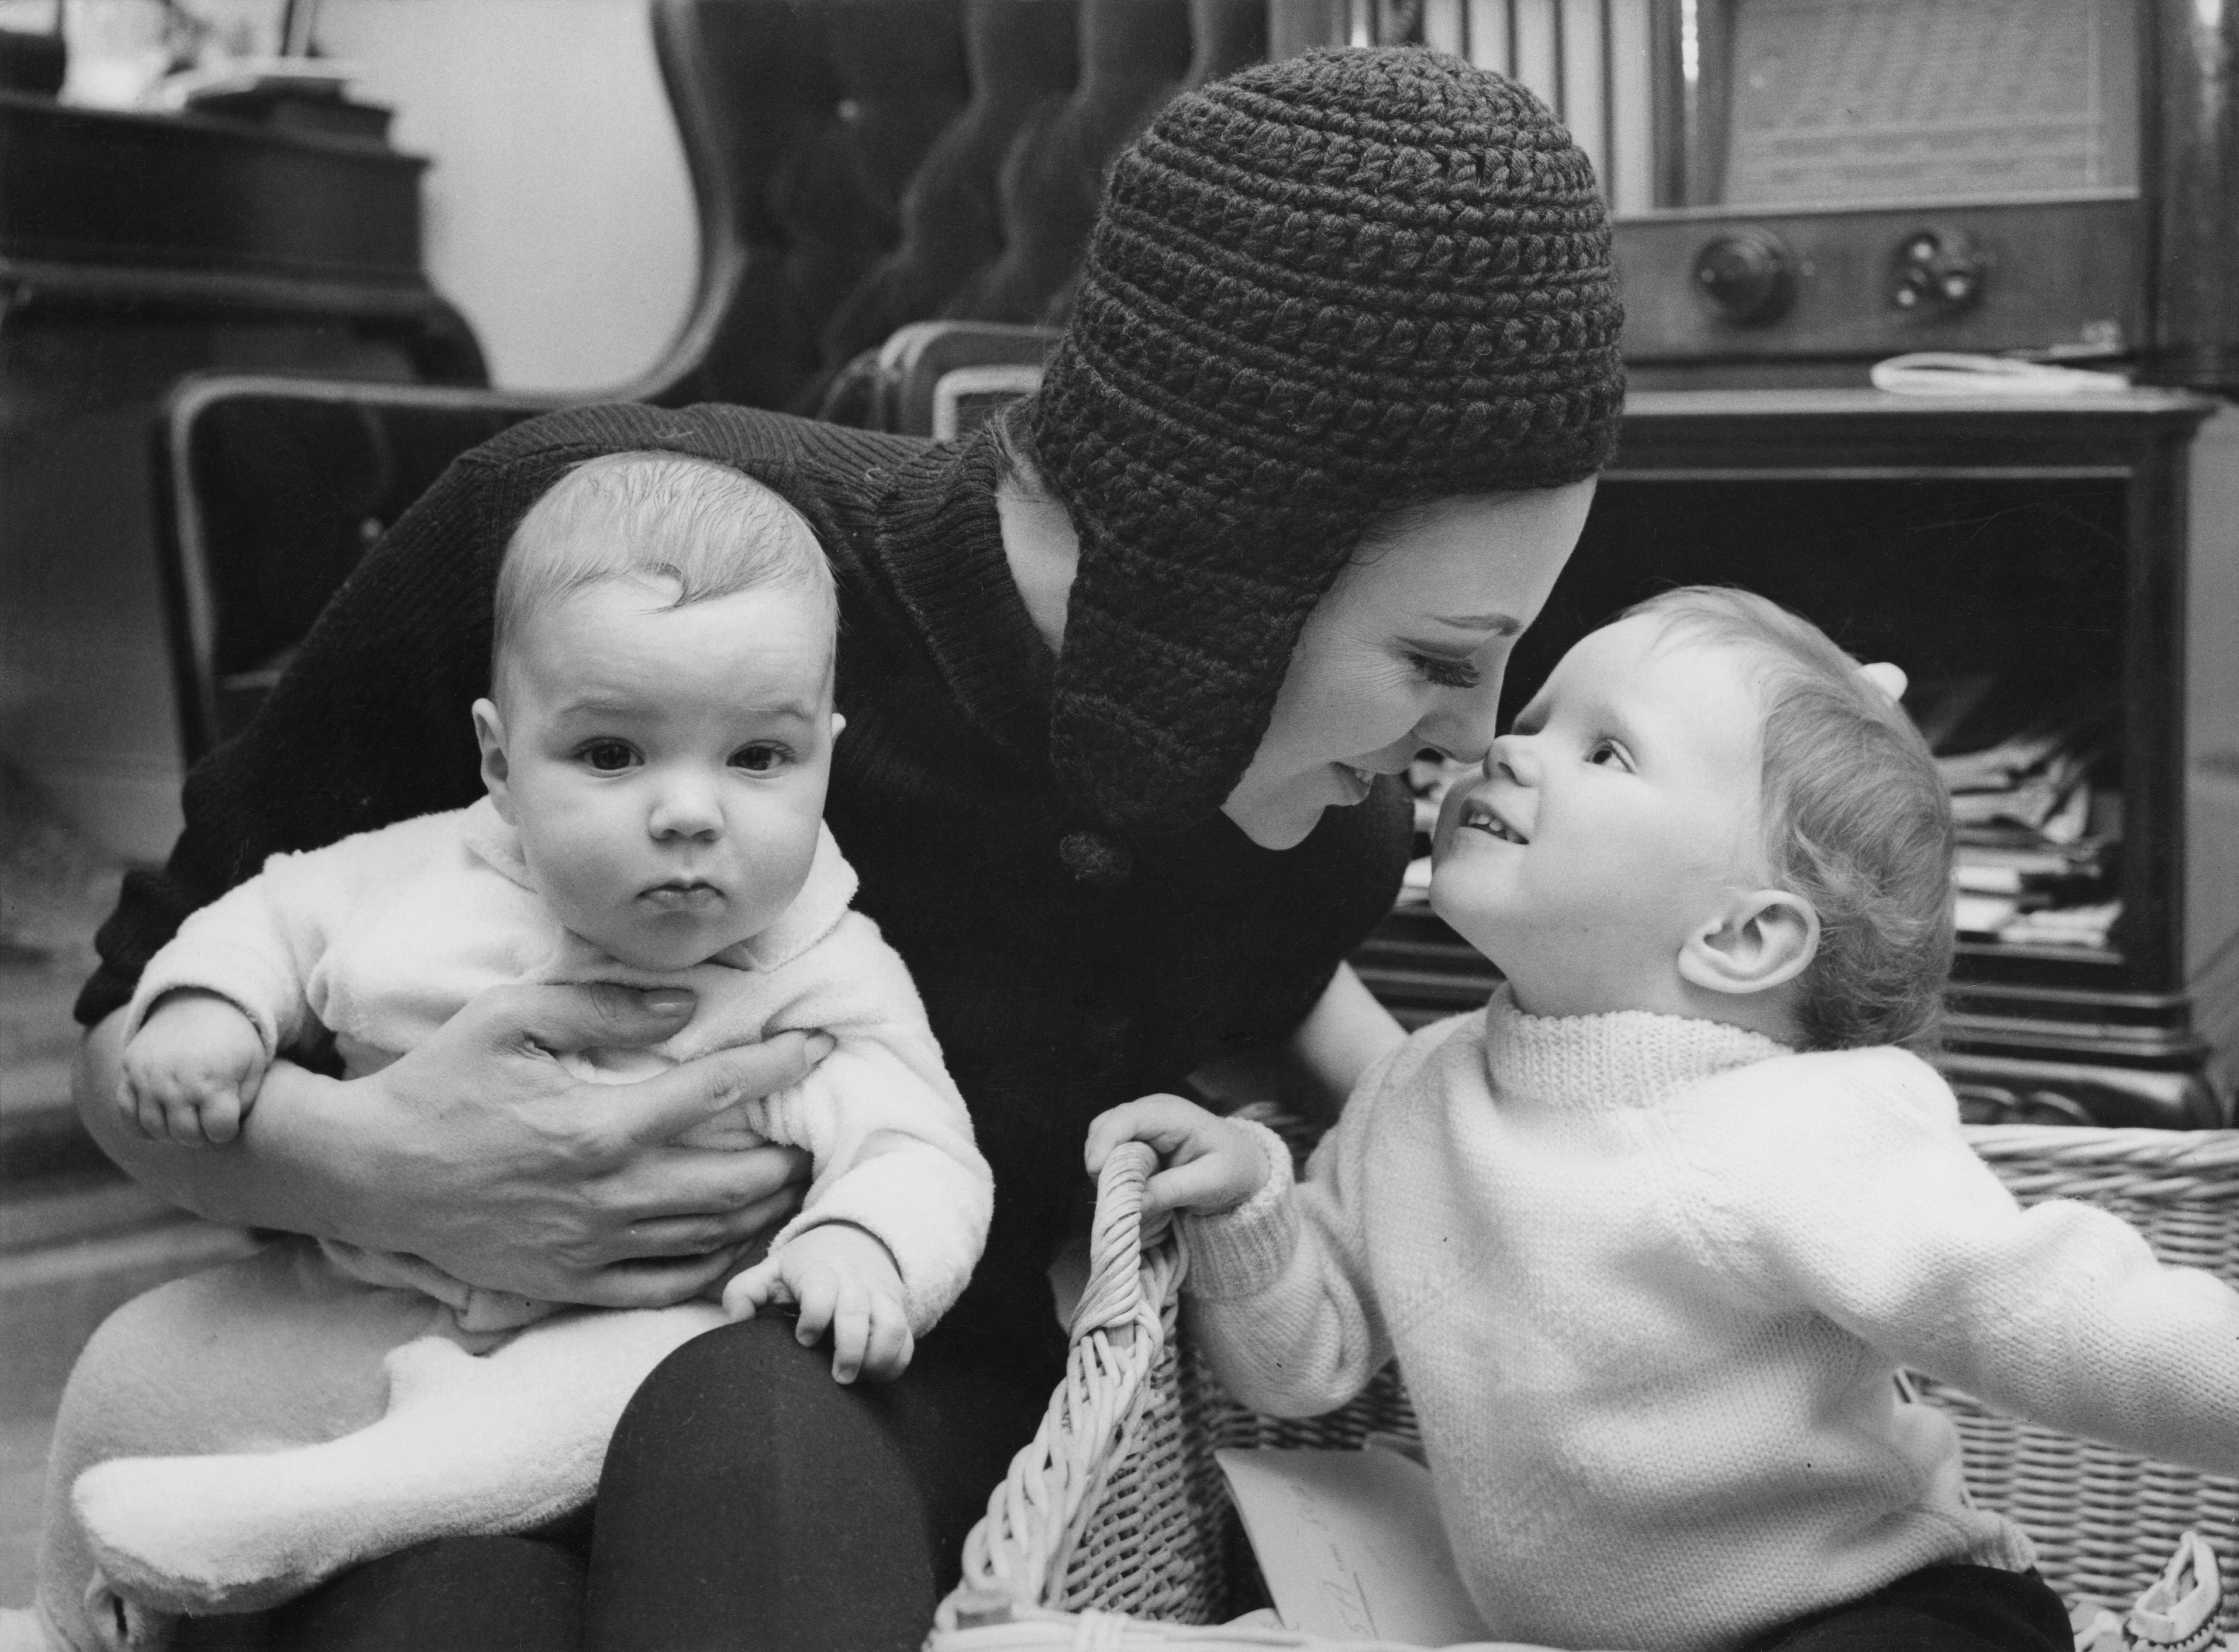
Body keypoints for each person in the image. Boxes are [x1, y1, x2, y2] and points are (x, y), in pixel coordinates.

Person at [56, 47, 1625, 1652]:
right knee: (444, 1595)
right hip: (425, 1344)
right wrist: (383, 1168)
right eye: (1440, 656)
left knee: (752, 1428)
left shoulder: (1306, 831)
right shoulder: (584, 561)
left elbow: (1392, 1089)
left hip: (867, 1378)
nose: (1468, 734)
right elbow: (125, 1036)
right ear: (1228, 564)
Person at [1089, 586, 2239, 1652]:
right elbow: (1306, 1364)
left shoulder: (1798, 1121)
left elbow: (2032, 1302)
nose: (1505, 745)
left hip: (1884, 1605)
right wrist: (1252, 1203)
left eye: (1604, 750)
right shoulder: (1417, 1093)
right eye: (1534, 718)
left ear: (1741, 939)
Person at [22, 453, 990, 1652]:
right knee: (137, 1361)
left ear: (826, 758)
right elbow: (271, 914)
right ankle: (84, 1613)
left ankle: (315, 1512)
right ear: (498, 756)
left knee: (648, 1385)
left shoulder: (823, 972)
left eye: (757, 758)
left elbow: (922, 1144)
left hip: (622, 1347)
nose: (690, 812)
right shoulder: (419, 872)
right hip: (377, 1293)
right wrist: (214, 1009)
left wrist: (862, 1242)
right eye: (612, 754)